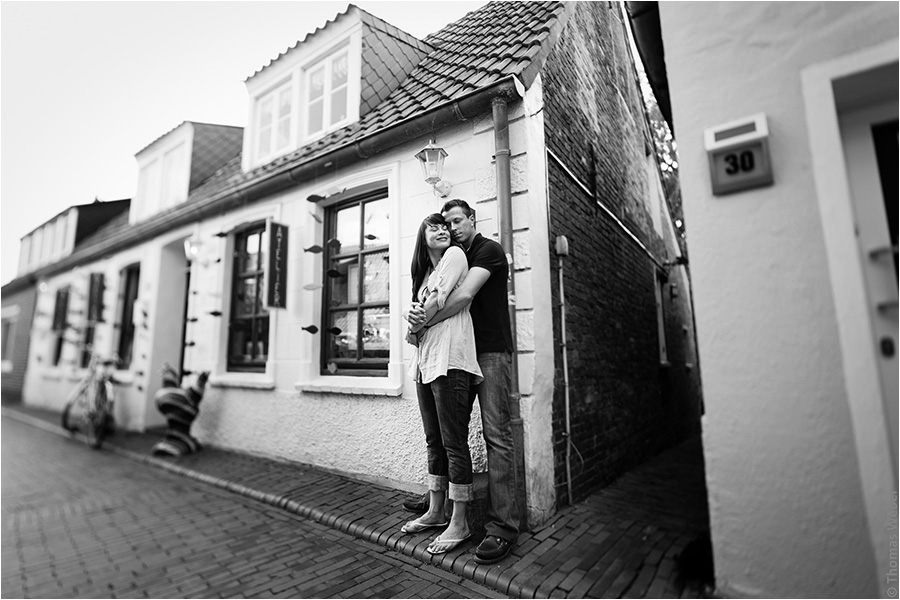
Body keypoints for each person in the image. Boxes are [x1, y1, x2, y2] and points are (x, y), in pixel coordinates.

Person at [407, 198, 520, 565]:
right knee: (445, 433)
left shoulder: (486, 250)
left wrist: (422, 323)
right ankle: (438, 500)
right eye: (446, 222)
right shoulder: (445, 259)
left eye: (457, 221)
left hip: (488, 351)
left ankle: (502, 526)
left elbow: (464, 296)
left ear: (472, 219)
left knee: (496, 435)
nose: (452, 227)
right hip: (457, 352)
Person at [401, 213, 483, 555]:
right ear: (422, 237)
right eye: (433, 226)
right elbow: (413, 330)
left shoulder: (455, 256)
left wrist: (419, 322)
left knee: (453, 443)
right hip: (425, 364)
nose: (442, 230)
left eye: (445, 226)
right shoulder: (423, 274)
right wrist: (416, 326)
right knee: (433, 441)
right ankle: (436, 511)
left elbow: (437, 301)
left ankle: (460, 521)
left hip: (451, 360)